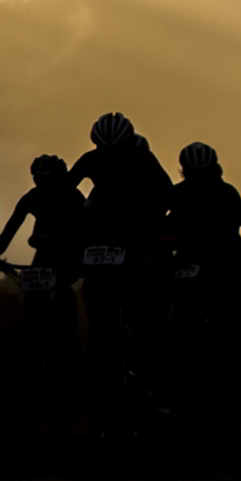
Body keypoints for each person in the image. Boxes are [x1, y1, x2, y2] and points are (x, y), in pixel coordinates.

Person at [66, 112, 175, 432]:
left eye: (116, 149)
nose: (110, 156)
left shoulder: (143, 159)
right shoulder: (90, 164)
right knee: (99, 321)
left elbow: (167, 197)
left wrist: (149, 236)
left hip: (138, 238)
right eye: (104, 149)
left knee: (147, 318)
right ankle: (98, 380)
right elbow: (67, 197)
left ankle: (154, 379)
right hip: (101, 242)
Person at [163, 141, 241, 430]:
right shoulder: (226, 192)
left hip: (205, 271)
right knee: (226, 333)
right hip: (221, 270)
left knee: (186, 334)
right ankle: (227, 389)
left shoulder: (180, 193)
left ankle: (197, 395)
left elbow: (158, 230)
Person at [0, 154, 88, 435]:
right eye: (38, 179)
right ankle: (36, 389)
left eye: (46, 179)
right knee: (32, 337)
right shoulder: (38, 196)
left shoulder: (70, 197)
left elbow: (86, 229)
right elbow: (12, 226)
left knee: (61, 337)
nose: (42, 184)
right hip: (45, 262)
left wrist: (82, 257)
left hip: (63, 262)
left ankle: (66, 378)